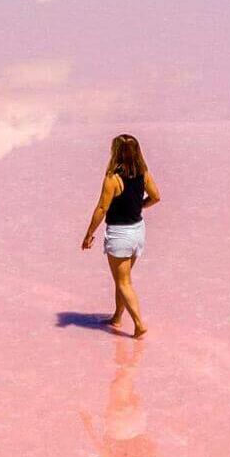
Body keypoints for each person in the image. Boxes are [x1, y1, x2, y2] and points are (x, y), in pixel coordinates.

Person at [80, 134, 161, 338]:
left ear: (115, 153)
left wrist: (89, 234)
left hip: (120, 235)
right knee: (122, 279)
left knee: (124, 282)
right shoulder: (143, 173)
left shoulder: (112, 178)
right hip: (138, 231)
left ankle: (139, 324)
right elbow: (156, 197)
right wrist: (139, 205)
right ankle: (117, 317)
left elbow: (101, 208)